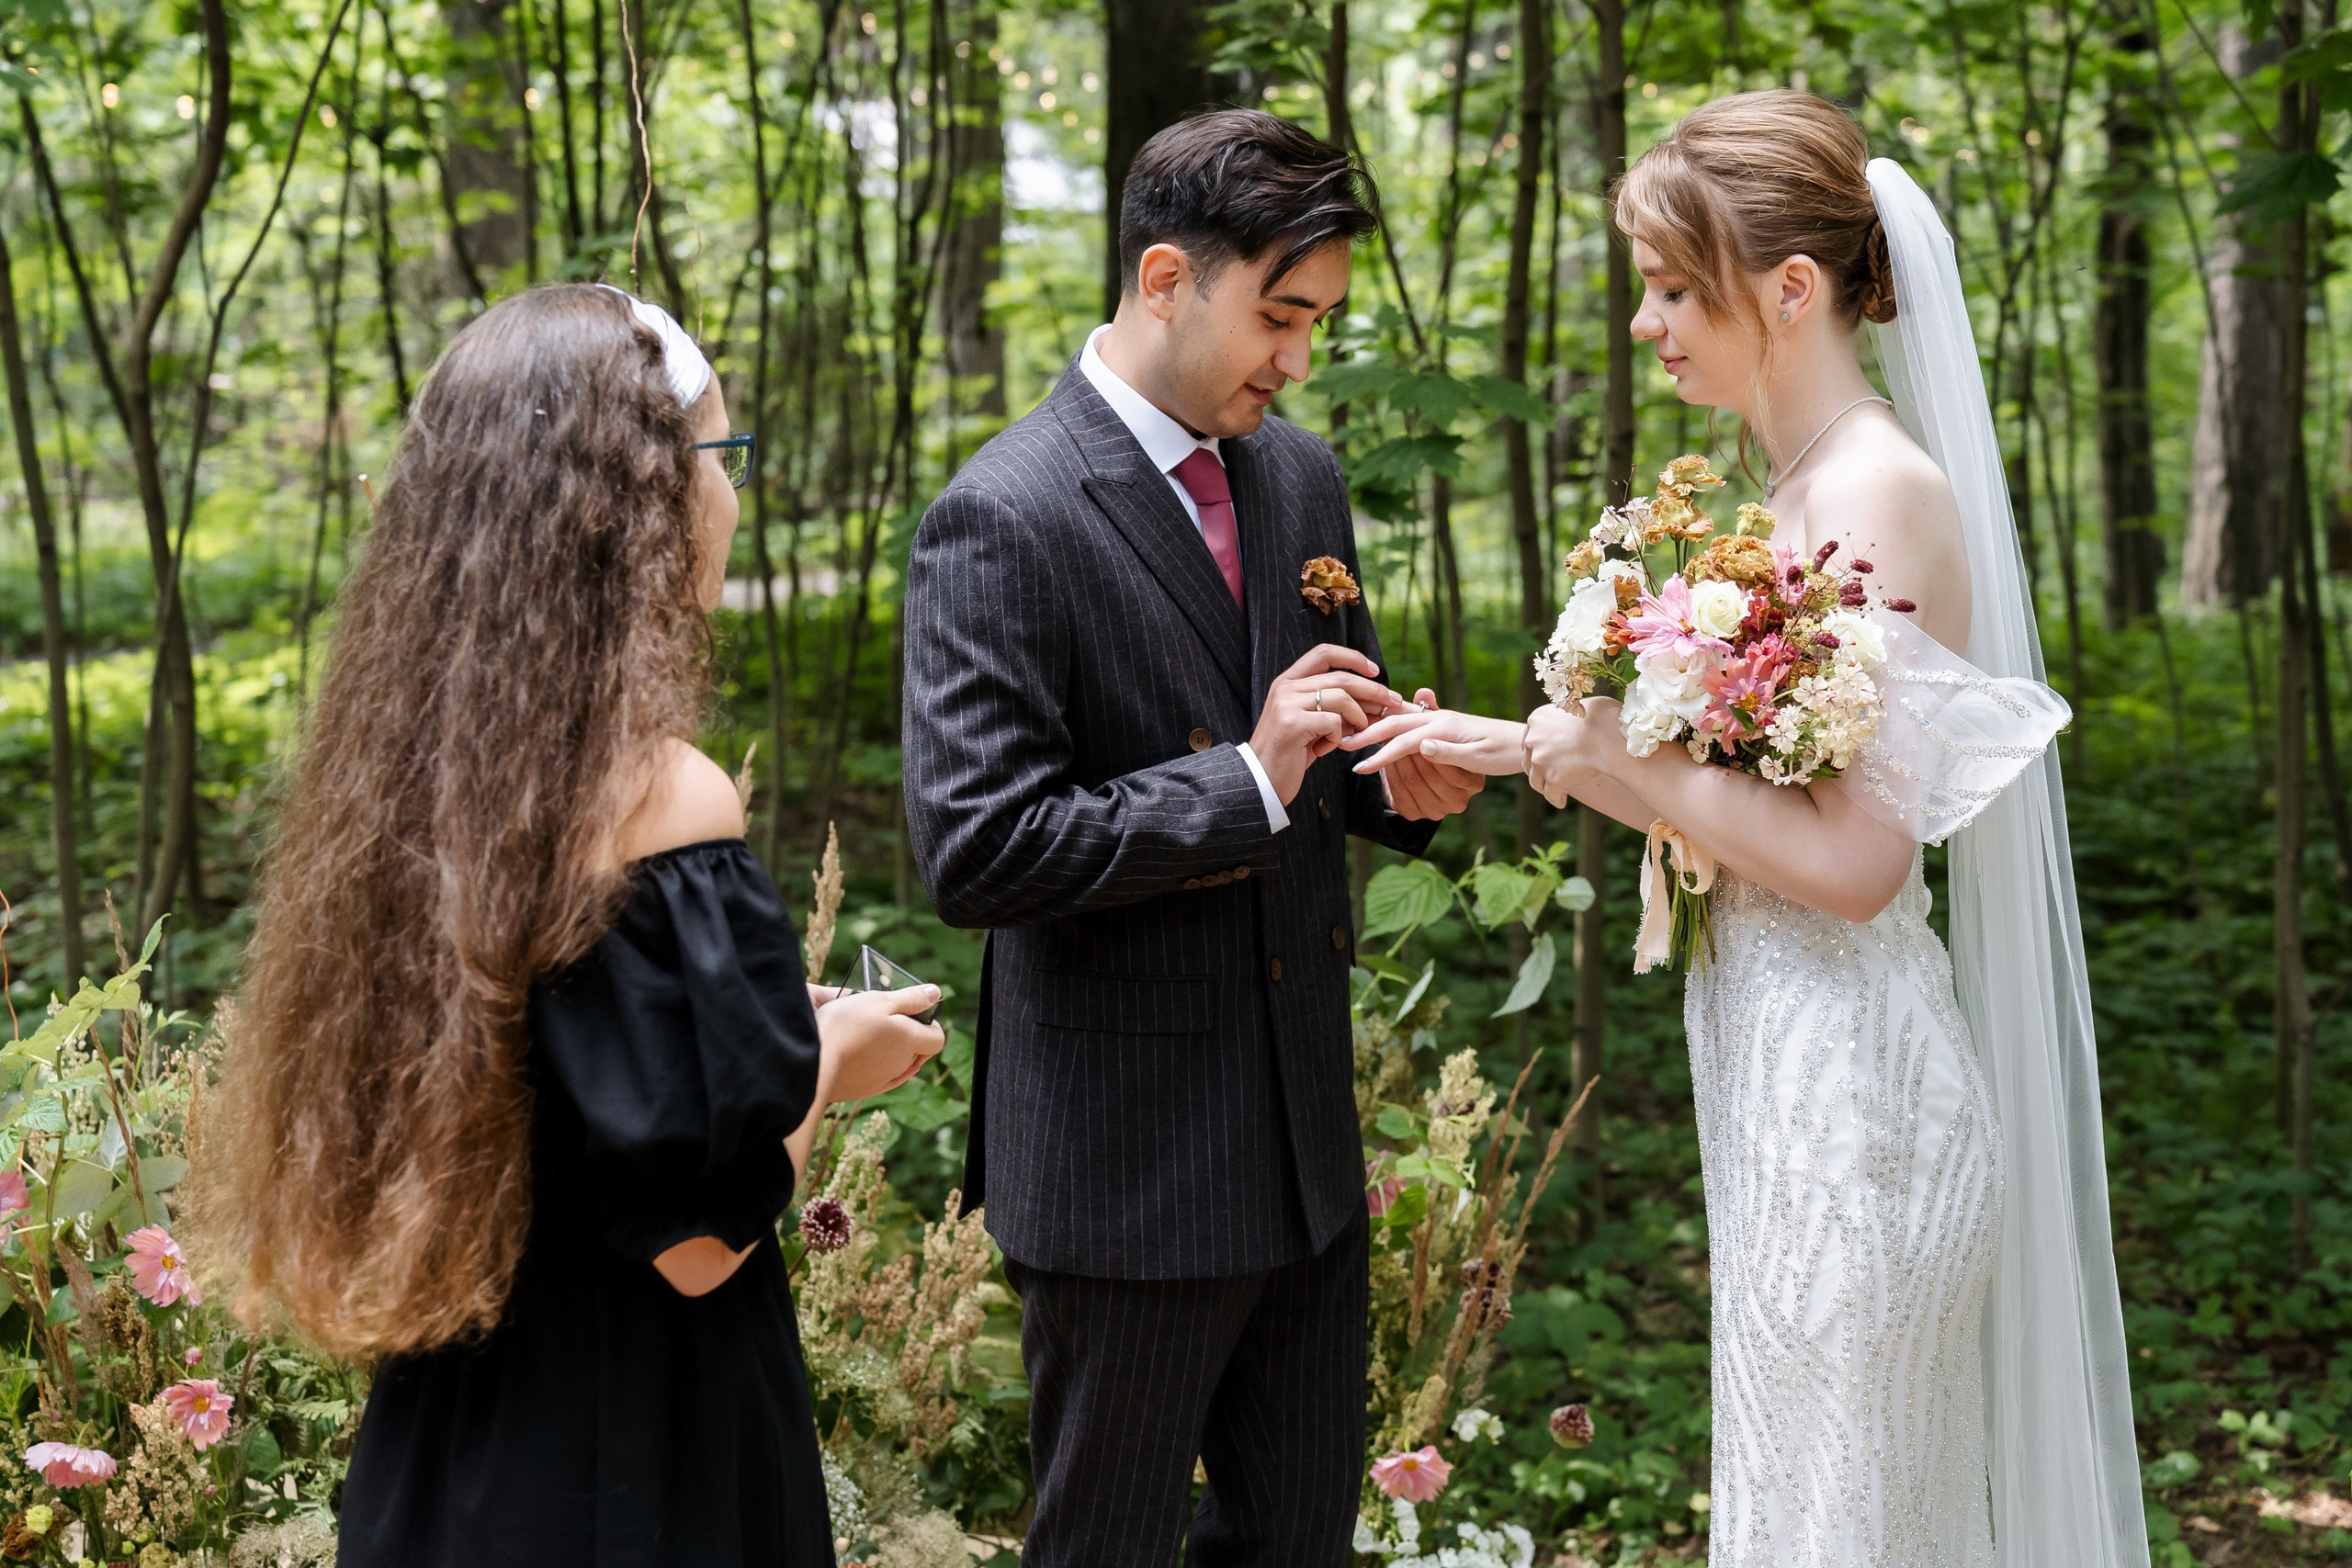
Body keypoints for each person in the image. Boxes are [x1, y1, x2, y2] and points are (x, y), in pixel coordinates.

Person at [1346, 92, 2148, 1568]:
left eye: (1671, 287)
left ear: (1789, 289)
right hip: (1782, 1083)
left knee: (1841, 1524)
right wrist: (1529, 746)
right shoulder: (1791, 491)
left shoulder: (1878, 494)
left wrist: (1614, 755)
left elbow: (1857, 864)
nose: (1648, 323)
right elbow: (1739, 800)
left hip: (1860, 1112)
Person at [189, 283, 944, 1566]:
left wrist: (743, 1048)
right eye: (725, 456)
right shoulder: (659, 796)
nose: (734, 498)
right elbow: (699, 1241)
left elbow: (569, 1101)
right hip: (641, 1463)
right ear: (642, 501)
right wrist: (829, 1063)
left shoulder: (415, 776)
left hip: (454, 1444)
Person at [901, 109, 1481, 1567]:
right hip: (1126, 1175)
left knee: (1299, 1548)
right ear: (1166, 278)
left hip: (1301, 1150)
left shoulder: (1300, 478)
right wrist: (1249, 775)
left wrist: (1386, 781)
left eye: (1321, 323)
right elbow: (978, 849)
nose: (1297, 361)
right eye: (1280, 317)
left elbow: (1315, 746)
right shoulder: (1002, 514)